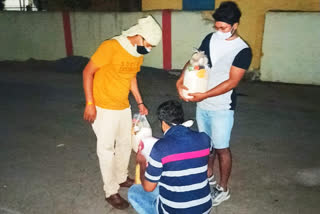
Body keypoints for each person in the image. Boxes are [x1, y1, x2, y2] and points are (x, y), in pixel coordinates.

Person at [176, 1, 252, 206]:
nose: (219, 31)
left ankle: (223, 188)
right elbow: (196, 60)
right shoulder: (210, 38)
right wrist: (181, 79)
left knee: (221, 148)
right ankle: (208, 175)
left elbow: (232, 82)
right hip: (204, 105)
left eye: (223, 28)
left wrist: (205, 95)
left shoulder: (242, 50)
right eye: (216, 27)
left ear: (234, 25)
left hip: (221, 108)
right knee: (206, 144)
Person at [82, 15, 162, 210]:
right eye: (149, 44)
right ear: (139, 35)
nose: (149, 49)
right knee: (106, 150)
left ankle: (119, 177)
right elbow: (87, 72)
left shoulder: (137, 53)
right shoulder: (110, 47)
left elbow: (131, 78)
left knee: (126, 144)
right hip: (103, 106)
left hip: (123, 105)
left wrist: (140, 102)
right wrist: (90, 103)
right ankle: (111, 191)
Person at [128, 100, 212, 214]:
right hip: (204, 208)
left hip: (174, 211)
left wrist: (141, 163)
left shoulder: (160, 148)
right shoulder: (204, 138)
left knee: (135, 191)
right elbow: (208, 172)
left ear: (163, 123)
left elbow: (148, 188)